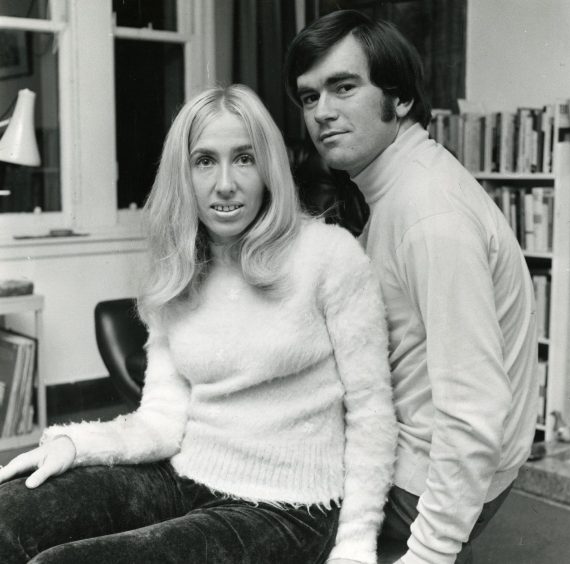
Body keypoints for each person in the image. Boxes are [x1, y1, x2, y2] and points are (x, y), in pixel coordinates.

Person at [0, 84, 397, 564]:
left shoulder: (329, 256)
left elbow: (372, 414)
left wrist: (355, 544)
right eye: (205, 160)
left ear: (269, 168)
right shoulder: (180, 270)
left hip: (287, 507)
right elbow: (161, 421)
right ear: (183, 174)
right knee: (8, 514)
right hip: (183, 475)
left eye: (244, 158)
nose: (224, 183)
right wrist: (74, 444)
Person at [285, 10, 538, 564]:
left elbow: (473, 410)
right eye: (309, 98)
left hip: (424, 479)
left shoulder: (428, 213)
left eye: (343, 87)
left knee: (263, 512)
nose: (323, 112)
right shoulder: (397, 186)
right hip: (424, 457)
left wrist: (430, 551)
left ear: (398, 99)